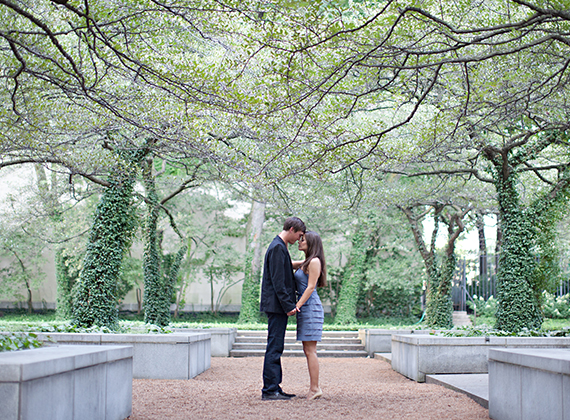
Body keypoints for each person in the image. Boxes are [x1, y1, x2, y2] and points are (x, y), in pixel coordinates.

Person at [260, 216, 306, 401]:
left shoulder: (279, 246)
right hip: (277, 306)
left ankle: (274, 387)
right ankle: (270, 390)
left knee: (276, 346)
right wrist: (289, 306)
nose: (299, 240)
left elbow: (284, 268)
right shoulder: (278, 247)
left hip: (276, 306)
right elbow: (279, 281)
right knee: (274, 347)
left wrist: (304, 263)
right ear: (292, 229)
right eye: (299, 235)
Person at [292, 230, 326, 400]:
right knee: (308, 350)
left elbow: (310, 287)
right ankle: (314, 387)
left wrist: (297, 306)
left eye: (302, 240)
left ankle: (315, 388)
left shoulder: (314, 262)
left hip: (310, 307)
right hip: (306, 307)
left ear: (311, 243)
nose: (299, 242)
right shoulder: (306, 261)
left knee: (310, 350)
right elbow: (289, 263)